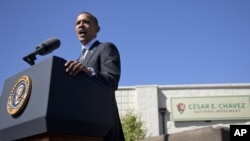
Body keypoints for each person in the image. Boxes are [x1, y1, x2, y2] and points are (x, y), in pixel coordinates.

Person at [64, 11, 125, 141]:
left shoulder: (106, 48)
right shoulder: (77, 61)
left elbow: (112, 80)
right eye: (77, 23)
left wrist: (89, 72)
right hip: (81, 131)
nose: (80, 25)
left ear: (97, 29)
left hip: (104, 129)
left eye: (85, 22)